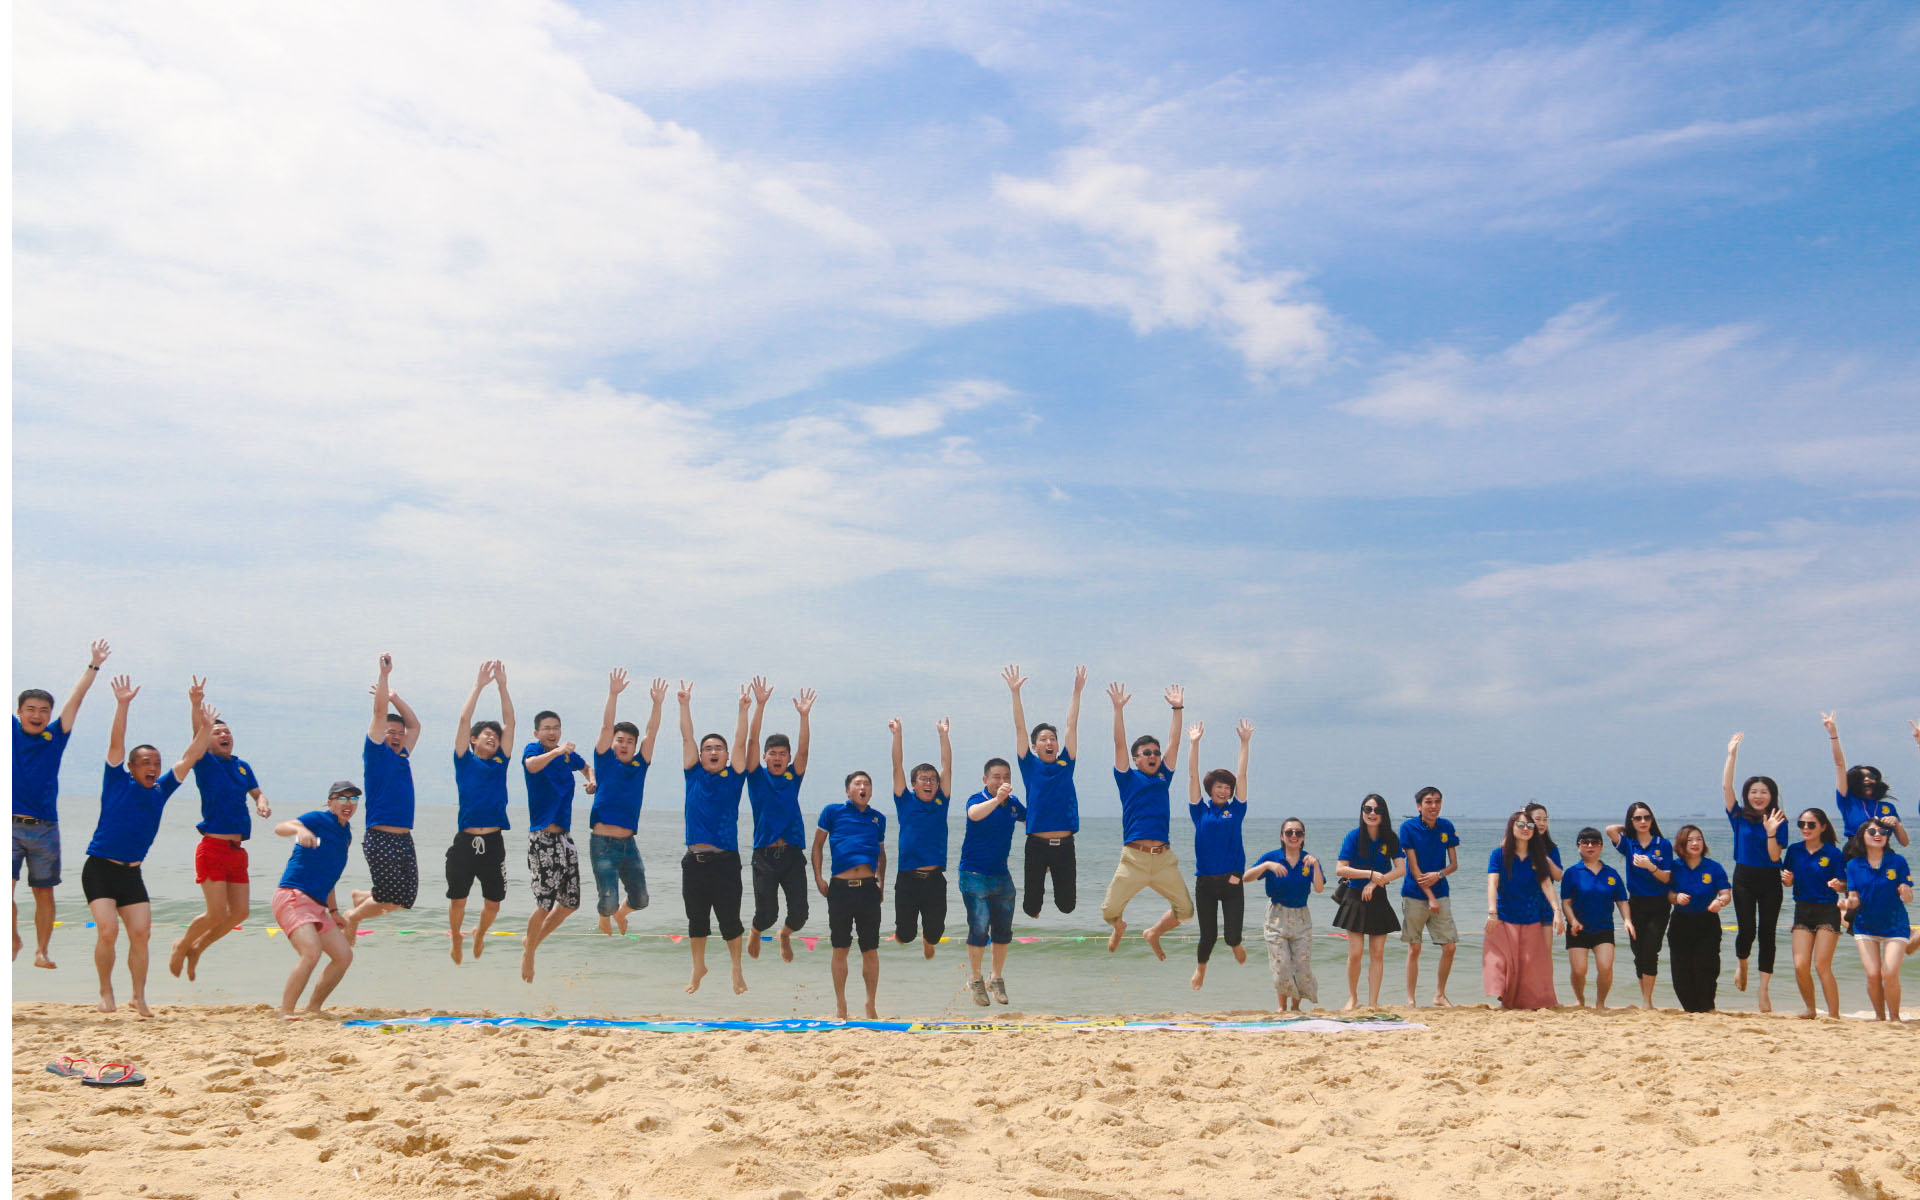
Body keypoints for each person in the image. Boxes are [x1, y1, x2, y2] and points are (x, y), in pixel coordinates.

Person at [85, 677, 217, 1015]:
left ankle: (139, 996)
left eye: (156, 763)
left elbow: (190, 757)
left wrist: (204, 724)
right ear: (131, 767)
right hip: (99, 867)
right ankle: (105, 993)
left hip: (132, 873)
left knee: (141, 934)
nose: (153, 768)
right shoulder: (116, 780)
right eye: (145, 763)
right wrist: (123, 704)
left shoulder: (161, 789)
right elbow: (117, 743)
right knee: (108, 931)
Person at [13, 638, 111, 968]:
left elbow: (76, 699)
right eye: (31, 709)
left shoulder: (55, 736)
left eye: (44, 710)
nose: (37, 715)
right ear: (19, 712)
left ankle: (41, 951)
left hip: (45, 828)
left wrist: (94, 665)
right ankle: (12, 935)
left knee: (44, 893)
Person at [169, 679, 274, 981]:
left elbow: (257, 793)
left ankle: (198, 947)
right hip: (213, 846)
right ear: (208, 741)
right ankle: (182, 944)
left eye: (226, 731)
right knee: (215, 913)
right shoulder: (205, 762)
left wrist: (262, 803)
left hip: (237, 851)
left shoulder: (242, 766)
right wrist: (196, 707)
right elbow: (196, 737)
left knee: (240, 913)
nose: (224, 734)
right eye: (217, 732)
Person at [1100, 681, 1193, 959]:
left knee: (1186, 912)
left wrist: (1177, 708)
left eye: (1155, 752)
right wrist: (1118, 710)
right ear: (1135, 759)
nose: (1153, 756)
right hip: (1134, 859)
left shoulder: (1164, 776)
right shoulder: (1127, 778)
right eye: (1147, 753)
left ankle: (1153, 933)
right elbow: (1118, 742)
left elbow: (1175, 742)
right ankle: (1119, 928)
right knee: (1109, 913)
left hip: (1163, 859)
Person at [678, 680, 751, 995]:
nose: (712, 751)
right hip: (694, 860)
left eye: (717, 748)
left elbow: (740, 740)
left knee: (729, 920)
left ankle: (736, 969)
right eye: (707, 748)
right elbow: (687, 736)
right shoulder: (692, 773)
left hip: (725, 861)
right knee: (697, 920)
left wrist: (743, 709)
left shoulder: (734, 778)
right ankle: (698, 967)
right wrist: (684, 704)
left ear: (724, 755)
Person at [341, 653, 423, 934]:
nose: (398, 735)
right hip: (381, 837)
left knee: (406, 900)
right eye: (391, 731)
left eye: (399, 733)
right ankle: (353, 917)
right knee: (390, 898)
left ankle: (361, 899)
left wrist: (396, 698)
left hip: (404, 837)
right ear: (382, 734)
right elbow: (378, 714)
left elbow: (415, 726)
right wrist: (385, 679)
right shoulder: (376, 754)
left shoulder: (403, 756)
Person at [272, 781, 362, 1019]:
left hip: (318, 906)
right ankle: (285, 1011)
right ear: (330, 801)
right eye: (342, 798)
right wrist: (298, 830)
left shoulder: (346, 834)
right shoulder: (317, 819)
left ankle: (313, 1008)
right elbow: (280, 827)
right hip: (293, 896)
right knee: (311, 952)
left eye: (353, 799)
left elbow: (330, 876)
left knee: (344, 956)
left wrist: (333, 912)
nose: (348, 804)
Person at [1003, 664, 1087, 918]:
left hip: (1064, 845)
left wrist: (1077, 691)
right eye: (1043, 739)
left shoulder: (1065, 764)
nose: (1049, 742)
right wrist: (1015, 693)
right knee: (1031, 908)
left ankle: (1056, 885)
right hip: (1037, 845)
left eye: (1052, 738)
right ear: (1035, 745)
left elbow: (1071, 725)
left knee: (1067, 906)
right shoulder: (1029, 764)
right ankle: (1034, 906)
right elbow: (1019, 726)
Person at [519, 706, 595, 982]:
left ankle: (532, 943)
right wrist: (557, 751)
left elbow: (586, 766)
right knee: (544, 904)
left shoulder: (567, 757)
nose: (552, 732)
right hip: (542, 837)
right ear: (537, 732)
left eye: (556, 727)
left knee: (571, 902)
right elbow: (532, 765)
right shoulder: (533, 750)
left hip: (564, 837)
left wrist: (592, 781)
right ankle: (529, 954)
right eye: (547, 728)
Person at [448, 660, 515, 964]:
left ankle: (480, 933)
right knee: (458, 900)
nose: (492, 737)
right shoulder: (464, 760)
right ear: (474, 740)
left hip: (493, 841)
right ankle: (456, 939)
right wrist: (478, 686)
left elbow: (510, 722)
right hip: (465, 841)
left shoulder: (500, 762)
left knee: (493, 904)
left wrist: (502, 685)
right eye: (486, 734)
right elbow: (464, 720)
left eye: (495, 735)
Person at [589, 670, 664, 936]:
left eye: (629, 742)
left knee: (641, 899)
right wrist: (613, 694)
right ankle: (605, 915)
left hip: (628, 843)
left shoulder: (639, 766)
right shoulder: (604, 760)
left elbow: (651, 734)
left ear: (634, 748)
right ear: (612, 743)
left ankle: (620, 914)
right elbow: (606, 726)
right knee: (607, 900)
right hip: (602, 843)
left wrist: (657, 704)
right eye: (620, 740)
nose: (624, 744)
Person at [745, 681, 815, 961]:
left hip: (792, 852)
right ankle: (755, 930)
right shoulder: (756, 776)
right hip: (764, 854)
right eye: (772, 753)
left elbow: (804, 751)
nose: (777, 757)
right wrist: (760, 706)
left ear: (787, 759)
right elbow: (751, 742)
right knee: (767, 913)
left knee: (800, 913)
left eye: (782, 754)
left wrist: (804, 716)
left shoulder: (792, 777)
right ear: (764, 757)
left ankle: (785, 934)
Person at [1721, 732, 1788, 1010]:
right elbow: (1726, 788)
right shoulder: (1738, 815)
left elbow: (1775, 857)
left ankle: (1763, 990)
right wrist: (1732, 755)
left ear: (1771, 795)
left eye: (1764, 792)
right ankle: (1742, 964)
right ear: (1748, 795)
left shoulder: (1779, 819)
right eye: (1754, 792)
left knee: (1768, 933)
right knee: (1747, 929)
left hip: (1770, 878)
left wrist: (1771, 832)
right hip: (1744, 878)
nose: (1758, 796)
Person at [813, 770, 886, 1020]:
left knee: (870, 949)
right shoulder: (832, 811)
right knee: (840, 948)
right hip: (840, 889)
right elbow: (817, 846)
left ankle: (870, 1004)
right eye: (858, 784)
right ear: (848, 791)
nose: (863, 786)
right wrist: (819, 878)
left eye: (867, 783)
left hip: (868, 889)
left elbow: (881, 854)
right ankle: (841, 1005)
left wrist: (881, 883)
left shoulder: (878, 818)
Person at [1186, 719, 1252, 991]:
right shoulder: (1199, 811)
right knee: (1208, 936)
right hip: (1205, 883)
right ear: (1210, 788)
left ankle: (1235, 944)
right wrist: (1194, 743)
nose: (1224, 790)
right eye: (1219, 786)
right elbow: (1192, 775)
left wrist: (1244, 743)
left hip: (1233, 881)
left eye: (1228, 786)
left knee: (1231, 936)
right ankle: (1201, 969)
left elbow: (1243, 775)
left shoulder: (1236, 810)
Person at [958, 763, 1023, 1005]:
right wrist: (997, 799)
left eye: (1006, 776)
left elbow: (1033, 822)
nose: (1001, 780)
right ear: (986, 779)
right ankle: (976, 979)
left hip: (1001, 875)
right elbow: (974, 814)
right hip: (974, 874)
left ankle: (996, 978)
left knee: (1003, 930)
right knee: (979, 927)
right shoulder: (978, 799)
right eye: (996, 777)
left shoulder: (1014, 803)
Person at [889, 716, 954, 960]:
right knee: (905, 936)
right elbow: (897, 766)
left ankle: (929, 940)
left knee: (935, 933)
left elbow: (947, 767)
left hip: (935, 879)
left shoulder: (941, 801)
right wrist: (898, 735)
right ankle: (909, 934)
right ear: (914, 784)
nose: (929, 783)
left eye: (932, 780)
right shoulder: (905, 800)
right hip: (907, 878)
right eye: (923, 779)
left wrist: (943, 735)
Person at [1243, 817, 1324, 1012]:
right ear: (1282, 836)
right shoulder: (1272, 858)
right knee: (1282, 964)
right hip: (1276, 916)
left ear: (1303, 837)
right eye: (1289, 832)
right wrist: (1266, 866)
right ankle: (1282, 1007)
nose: (1294, 836)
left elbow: (1320, 888)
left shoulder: (1309, 860)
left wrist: (1316, 866)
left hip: (1302, 916)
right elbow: (1245, 878)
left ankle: (1296, 1008)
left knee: (1301, 965)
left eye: (1298, 832)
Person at [1482, 810, 1559, 1010]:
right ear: (1512, 827)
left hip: (1531, 916)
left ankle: (1524, 1002)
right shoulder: (1498, 854)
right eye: (1521, 825)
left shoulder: (1538, 856)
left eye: (1530, 826)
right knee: (1502, 961)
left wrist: (1557, 911)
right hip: (1504, 916)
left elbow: (1547, 885)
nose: (1526, 829)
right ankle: (1504, 1000)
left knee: (1528, 964)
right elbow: (1492, 883)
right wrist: (1492, 912)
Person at [1334, 794, 1404, 1009]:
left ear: (1383, 814)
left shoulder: (1390, 838)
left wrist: (1376, 882)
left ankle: (1373, 1002)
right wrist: (1369, 874)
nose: (1372, 814)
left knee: (1378, 953)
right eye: (1368, 809)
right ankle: (1353, 997)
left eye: (1377, 810)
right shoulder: (1354, 837)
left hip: (1378, 898)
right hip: (1354, 897)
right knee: (1355, 953)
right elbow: (1340, 868)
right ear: (1362, 812)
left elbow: (1401, 869)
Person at [1604, 802, 1674, 1009]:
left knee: (1651, 949)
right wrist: (1628, 827)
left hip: (1659, 904)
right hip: (1635, 903)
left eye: (1647, 817)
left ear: (1653, 820)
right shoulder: (1629, 843)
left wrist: (1650, 866)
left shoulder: (1663, 844)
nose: (1643, 822)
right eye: (1638, 818)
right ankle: (1645, 996)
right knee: (1638, 951)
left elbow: (1666, 878)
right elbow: (1609, 830)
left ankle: (1647, 1001)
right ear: (1631, 821)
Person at [1842, 819, 1913, 1022]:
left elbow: (1908, 898)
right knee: (1873, 974)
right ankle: (1880, 1017)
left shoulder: (1897, 861)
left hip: (1895, 925)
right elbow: (1854, 897)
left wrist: (1906, 892)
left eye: (1882, 831)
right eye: (1872, 831)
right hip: (1865, 925)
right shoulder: (1854, 865)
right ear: (1862, 836)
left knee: (1889, 973)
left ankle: (1895, 1017)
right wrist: (1847, 903)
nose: (1878, 834)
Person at [1781, 807, 1847, 1018]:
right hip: (1803, 910)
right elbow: (1788, 881)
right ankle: (1810, 1009)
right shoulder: (1794, 850)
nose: (1805, 828)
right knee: (1800, 966)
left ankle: (1834, 1014)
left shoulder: (1833, 853)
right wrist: (1788, 881)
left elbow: (1845, 885)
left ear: (1823, 827)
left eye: (1811, 824)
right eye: (1801, 824)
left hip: (1828, 910)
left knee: (1821, 965)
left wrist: (1839, 885)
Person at [1398, 785, 1460, 1007]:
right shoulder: (1408, 828)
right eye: (1429, 802)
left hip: (1441, 891)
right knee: (1414, 947)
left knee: (1450, 946)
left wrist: (1439, 874)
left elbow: (1454, 864)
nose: (1434, 806)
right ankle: (1411, 999)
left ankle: (1439, 994)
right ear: (1419, 806)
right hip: (1414, 894)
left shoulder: (1446, 827)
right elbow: (1413, 869)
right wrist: (1430, 896)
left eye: (1437, 801)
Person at [1559, 827, 1633, 1008]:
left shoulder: (1611, 873)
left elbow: (1622, 901)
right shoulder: (1572, 873)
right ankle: (1580, 1000)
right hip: (1578, 929)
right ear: (1578, 847)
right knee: (1579, 970)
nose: (1590, 846)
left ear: (1601, 847)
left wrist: (1628, 920)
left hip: (1604, 928)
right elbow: (1566, 902)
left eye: (1595, 842)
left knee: (1605, 967)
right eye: (1585, 842)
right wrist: (1573, 921)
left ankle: (1601, 1003)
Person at [1665, 824, 1733, 1013]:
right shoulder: (1674, 867)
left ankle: (1708, 1007)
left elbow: (1726, 894)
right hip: (1681, 922)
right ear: (1681, 844)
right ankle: (1691, 1010)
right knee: (1681, 971)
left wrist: (1720, 901)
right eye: (1690, 840)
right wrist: (1676, 898)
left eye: (1699, 839)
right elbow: (1667, 894)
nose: (1695, 843)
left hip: (1707, 923)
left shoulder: (1713, 867)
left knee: (1706, 968)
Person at [1824, 712, 1908, 845]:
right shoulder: (1848, 801)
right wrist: (1833, 735)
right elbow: (1839, 765)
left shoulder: (1888, 807)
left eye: (1871, 776)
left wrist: (1896, 823)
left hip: (1882, 855)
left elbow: (1904, 842)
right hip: (1855, 854)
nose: (1866, 780)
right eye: (1860, 777)